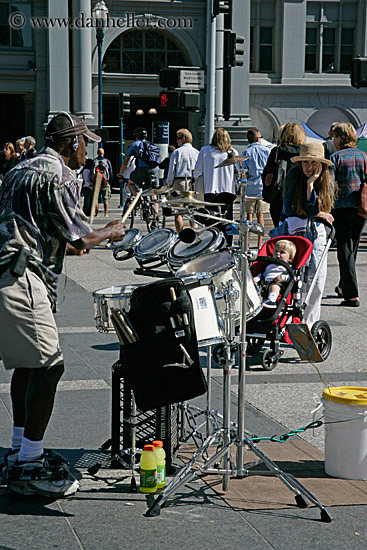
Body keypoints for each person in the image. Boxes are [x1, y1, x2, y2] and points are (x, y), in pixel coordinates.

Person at [0, 112, 125, 498]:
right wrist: (112, 231)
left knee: (28, 365)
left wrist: (72, 243)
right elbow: (82, 235)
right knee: (50, 367)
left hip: (7, 272)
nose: (89, 149)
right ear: (72, 142)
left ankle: (21, 448)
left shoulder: (21, 168)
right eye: (86, 141)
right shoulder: (59, 175)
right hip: (23, 277)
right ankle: (30, 463)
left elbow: (49, 230)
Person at [279, 141, 334, 326]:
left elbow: (317, 209)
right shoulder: (293, 178)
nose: (309, 167)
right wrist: (317, 212)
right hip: (294, 232)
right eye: (305, 162)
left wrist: (311, 186)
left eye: (313, 162)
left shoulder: (326, 180)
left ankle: (309, 324)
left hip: (316, 233)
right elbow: (292, 209)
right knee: (294, 280)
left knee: (316, 281)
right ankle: (292, 321)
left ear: (321, 164)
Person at [329, 122, 367, 307]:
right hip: (361, 207)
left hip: (340, 207)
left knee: (344, 249)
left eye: (334, 137)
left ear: (340, 138)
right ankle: (343, 286)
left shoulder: (335, 158)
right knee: (352, 248)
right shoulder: (363, 156)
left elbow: (330, 186)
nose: (333, 141)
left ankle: (351, 295)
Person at [194, 128, 239, 245]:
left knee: (211, 221)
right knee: (227, 220)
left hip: (210, 189)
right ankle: (227, 245)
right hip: (228, 192)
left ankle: (212, 244)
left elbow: (197, 171)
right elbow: (238, 171)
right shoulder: (232, 152)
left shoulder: (205, 150)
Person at [262, 123, 307, 227]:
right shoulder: (304, 152)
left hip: (279, 197)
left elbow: (267, 173)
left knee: (280, 230)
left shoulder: (276, 151)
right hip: (299, 197)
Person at [241, 128, 271, 248]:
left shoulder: (245, 152)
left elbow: (245, 172)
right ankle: (259, 244)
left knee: (249, 216)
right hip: (263, 186)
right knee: (261, 216)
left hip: (250, 187)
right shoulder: (266, 151)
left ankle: (247, 243)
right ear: (259, 138)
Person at [166, 129, 199, 232]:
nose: (177, 141)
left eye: (178, 139)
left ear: (183, 139)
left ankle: (181, 235)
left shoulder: (177, 152)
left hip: (179, 183)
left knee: (178, 212)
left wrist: (169, 184)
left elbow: (172, 170)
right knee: (192, 211)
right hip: (193, 183)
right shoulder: (197, 152)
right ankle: (194, 233)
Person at [254, 239, 297, 308]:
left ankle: (271, 300)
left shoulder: (288, 268)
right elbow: (264, 274)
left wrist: (282, 278)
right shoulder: (270, 265)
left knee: (274, 286)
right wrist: (257, 278)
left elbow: (291, 277)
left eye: (282, 252)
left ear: (290, 258)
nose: (278, 253)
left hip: (279, 284)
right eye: (276, 251)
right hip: (264, 284)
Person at [118, 127, 159, 195]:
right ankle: (154, 204)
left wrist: (120, 175)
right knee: (152, 191)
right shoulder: (151, 145)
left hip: (141, 170)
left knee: (131, 183)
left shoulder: (134, 145)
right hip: (154, 169)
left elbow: (125, 162)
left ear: (136, 136)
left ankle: (138, 197)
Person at [90, 148, 113, 217]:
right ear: (103, 153)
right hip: (105, 182)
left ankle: (96, 214)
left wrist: (92, 180)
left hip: (96, 182)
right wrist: (110, 181)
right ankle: (106, 214)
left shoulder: (94, 161)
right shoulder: (107, 161)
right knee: (106, 198)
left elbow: (91, 172)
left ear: (97, 153)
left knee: (96, 199)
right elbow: (110, 172)